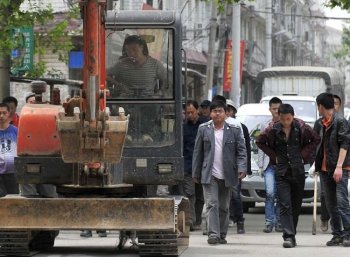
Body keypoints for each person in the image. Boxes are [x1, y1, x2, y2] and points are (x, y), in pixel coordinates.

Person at [256, 104, 320, 248]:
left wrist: (303, 155)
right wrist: (274, 156)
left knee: (296, 206)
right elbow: (259, 141)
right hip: (281, 172)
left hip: (297, 171)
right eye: (283, 119)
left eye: (289, 119)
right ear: (279, 116)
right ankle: (288, 236)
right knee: (285, 204)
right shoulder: (272, 129)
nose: (286, 122)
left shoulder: (302, 127)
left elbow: (316, 139)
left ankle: (292, 233)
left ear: (293, 116)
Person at [192, 100, 247, 245]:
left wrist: (242, 167)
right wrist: (195, 172)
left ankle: (222, 234)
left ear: (225, 113)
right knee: (212, 204)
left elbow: (241, 151)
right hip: (209, 174)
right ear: (210, 113)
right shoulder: (203, 129)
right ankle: (213, 234)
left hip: (228, 174)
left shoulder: (234, 130)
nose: (217, 114)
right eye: (215, 111)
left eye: (220, 111)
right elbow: (198, 152)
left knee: (224, 207)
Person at [313, 92, 350, 247]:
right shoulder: (319, 123)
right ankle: (337, 235)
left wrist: (339, 167)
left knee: (342, 202)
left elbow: (345, 143)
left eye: (318, 106)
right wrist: (315, 164)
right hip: (324, 169)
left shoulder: (340, 121)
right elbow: (316, 144)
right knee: (330, 204)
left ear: (321, 106)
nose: (318, 109)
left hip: (340, 168)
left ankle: (348, 233)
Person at [182, 100, 208, 231]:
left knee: (200, 195)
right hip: (188, 165)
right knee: (189, 193)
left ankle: (197, 219)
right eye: (187, 113)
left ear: (197, 110)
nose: (190, 115)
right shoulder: (184, 127)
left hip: (203, 165)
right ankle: (190, 220)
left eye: (192, 112)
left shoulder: (205, 125)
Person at [257, 97, 283, 233]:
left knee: (280, 195)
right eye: (274, 109)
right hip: (269, 166)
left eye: (278, 108)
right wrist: (260, 166)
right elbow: (261, 146)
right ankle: (269, 222)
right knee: (270, 193)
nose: (276, 111)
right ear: (270, 109)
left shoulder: (287, 125)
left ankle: (279, 222)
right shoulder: (265, 125)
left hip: (282, 167)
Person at [226, 99, 251, 234]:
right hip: (220, 167)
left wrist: (245, 168)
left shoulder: (240, 127)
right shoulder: (216, 126)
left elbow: (244, 149)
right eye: (226, 109)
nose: (227, 112)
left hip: (235, 167)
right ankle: (224, 220)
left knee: (235, 195)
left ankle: (239, 221)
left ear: (234, 112)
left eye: (230, 109)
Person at [0, 102, 19, 197]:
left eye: (4, 113)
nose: (1, 116)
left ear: (8, 113)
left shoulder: (16, 131)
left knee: (14, 199)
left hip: (13, 173)